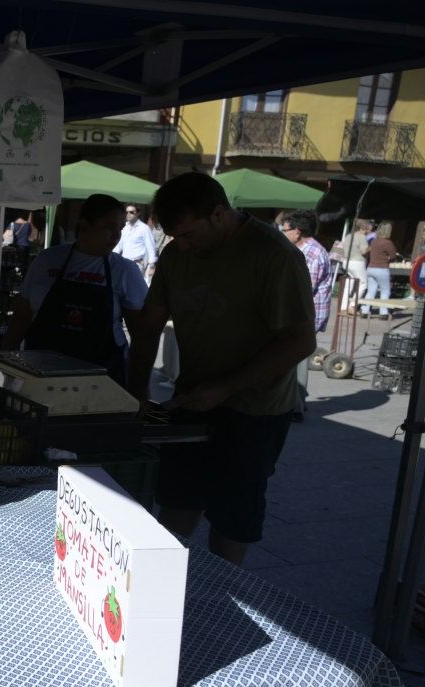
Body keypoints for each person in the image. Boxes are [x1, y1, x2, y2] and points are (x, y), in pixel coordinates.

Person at [126, 172, 316, 567]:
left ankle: (223, 600)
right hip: (192, 398)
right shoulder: (178, 254)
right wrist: (136, 392)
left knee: (232, 518)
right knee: (178, 499)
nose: (183, 246)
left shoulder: (274, 256)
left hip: (256, 410)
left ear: (217, 214)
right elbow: (148, 325)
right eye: (175, 237)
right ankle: (163, 579)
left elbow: (300, 341)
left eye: (189, 235)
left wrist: (228, 387)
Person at [1, 194, 148, 385]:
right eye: (109, 227)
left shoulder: (124, 271)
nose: (116, 236)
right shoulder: (46, 261)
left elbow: (142, 335)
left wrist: (139, 385)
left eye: (119, 229)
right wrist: (3, 366)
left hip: (101, 381)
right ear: (85, 225)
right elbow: (21, 317)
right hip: (40, 375)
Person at [280, 209, 332, 422]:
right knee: (292, 359)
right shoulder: (300, 249)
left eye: (285, 229)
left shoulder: (312, 253)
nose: (282, 233)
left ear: (298, 231)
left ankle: (296, 407)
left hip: (305, 314)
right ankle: (294, 401)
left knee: (297, 359)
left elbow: (303, 288)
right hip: (298, 311)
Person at [360, 222, 399, 319]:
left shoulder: (374, 241)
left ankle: (364, 310)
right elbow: (393, 256)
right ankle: (383, 312)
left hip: (370, 268)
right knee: (385, 291)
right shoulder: (388, 243)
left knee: (371, 290)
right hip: (382, 269)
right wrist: (389, 259)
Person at [113, 203, 157, 283]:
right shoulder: (124, 227)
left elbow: (150, 247)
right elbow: (118, 246)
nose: (128, 214)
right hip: (123, 263)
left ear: (138, 213)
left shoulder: (144, 228)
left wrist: (152, 266)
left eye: (131, 212)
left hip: (137, 264)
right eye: (127, 212)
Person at [335, 219, 371, 315]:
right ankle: (352, 306)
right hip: (357, 262)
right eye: (369, 228)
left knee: (349, 284)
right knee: (363, 284)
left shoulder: (349, 236)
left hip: (346, 261)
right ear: (365, 228)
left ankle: (343, 308)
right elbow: (363, 251)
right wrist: (371, 247)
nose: (370, 231)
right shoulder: (362, 237)